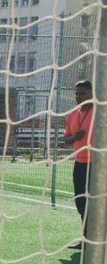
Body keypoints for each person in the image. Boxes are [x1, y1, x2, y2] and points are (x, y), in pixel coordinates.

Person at [63, 79, 94, 249]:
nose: (78, 97)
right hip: (80, 164)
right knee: (81, 203)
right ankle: (86, 239)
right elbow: (66, 138)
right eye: (77, 94)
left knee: (98, 203)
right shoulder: (73, 114)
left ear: (92, 95)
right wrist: (75, 137)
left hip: (98, 166)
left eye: (82, 93)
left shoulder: (100, 113)